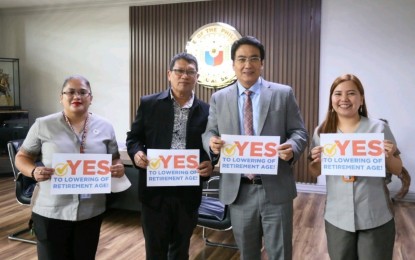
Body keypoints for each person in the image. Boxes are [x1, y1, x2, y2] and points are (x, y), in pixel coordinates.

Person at [202, 36, 308, 259]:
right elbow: (209, 132)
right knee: (247, 253)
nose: (247, 65)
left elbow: (299, 132)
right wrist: (211, 143)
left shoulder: (282, 93)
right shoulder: (219, 98)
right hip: (239, 191)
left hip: (275, 188)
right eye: (241, 59)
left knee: (280, 253)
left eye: (253, 59)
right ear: (233, 64)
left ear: (262, 63)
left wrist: (292, 147)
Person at [15, 75, 125, 260]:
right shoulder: (43, 125)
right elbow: (22, 157)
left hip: (91, 211)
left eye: (83, 92)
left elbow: (114, 159)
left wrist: (118, 168)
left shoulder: (105, 126)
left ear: (91, 98)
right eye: (71, 92)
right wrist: (33, 171)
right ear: (61, 97)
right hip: (51, 209)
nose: (77, 96)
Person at [126, 52, 213, 260]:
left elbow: (211, 147)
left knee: (180, 250)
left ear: (197, 77)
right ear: (169, 74)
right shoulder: (149, 104)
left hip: (188, 193)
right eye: (179, 71)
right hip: (154, 193)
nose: (184, 76)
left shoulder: (208, 111)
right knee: (155, 250)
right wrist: (137, 153)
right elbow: (134, 138)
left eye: (190, 72)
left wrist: (211, 163)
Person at [308, 74, 403, 260]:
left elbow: (398, 169)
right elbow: (314, 172)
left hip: (375, 215)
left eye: (351, 93)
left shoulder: (379, 128)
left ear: (361, 98)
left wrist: (389, 156)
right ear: (331, 99)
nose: (344, 99)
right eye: (338, 94)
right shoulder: (322, 132)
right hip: (337, 217)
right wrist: (316, 161)